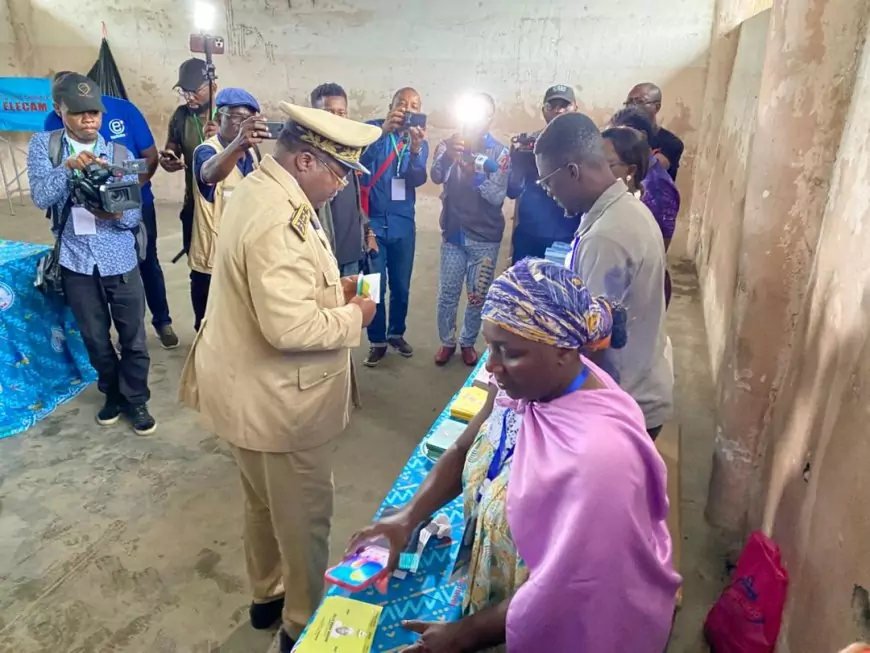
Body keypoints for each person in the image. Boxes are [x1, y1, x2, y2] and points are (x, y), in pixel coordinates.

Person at [349, 259, 680, 653]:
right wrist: (407, 517)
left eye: (509, 352)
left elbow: (564, 589)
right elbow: (464, 448)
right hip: (506, 600)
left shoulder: (600, 460)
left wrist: (464, 635)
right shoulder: (527, 387)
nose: (491, 366)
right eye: (490, 345)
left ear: (563, 350)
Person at [178, 103, 380, 653]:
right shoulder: (278, 216)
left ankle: (267, 596)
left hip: (246, 394)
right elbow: (289, 327)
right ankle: (301, 625)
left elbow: (273, 289)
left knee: (264, 507)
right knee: (305, 519)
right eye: (338, 172)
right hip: (281, 405)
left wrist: (331, 291)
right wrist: (354, 315)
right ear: (307, 161)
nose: (342, 186)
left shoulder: (260, 188)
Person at [28, 73, 156, 435]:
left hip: (119, 257)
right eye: (78, 112)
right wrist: (67, 169)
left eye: (94, 113)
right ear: (59, 110)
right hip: (76, 260)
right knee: (95, 338)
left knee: (133, 337)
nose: (88, 120)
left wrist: (112, 212)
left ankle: (136, 399)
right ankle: (112, 394)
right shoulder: (45, 146)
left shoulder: (119, 154)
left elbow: (131, 215)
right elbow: (40, 197)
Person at [534, 112, 673, 439]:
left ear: (572, 171)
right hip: (635, 383)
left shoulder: (606, 237)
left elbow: (590, 341)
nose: (548, 192)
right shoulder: (624, 209)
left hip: (619, 404)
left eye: (548, 182)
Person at [44, 72, 178, 349]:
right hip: (81, 214)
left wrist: (123, 195)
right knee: (92, 274)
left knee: (146, 261)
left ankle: (162, 321)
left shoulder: (123, 110)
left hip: (136, 203)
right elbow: (50, 174)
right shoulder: (52, 123)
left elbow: (149, 156)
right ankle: (109, 336)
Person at [430, 92, 510, 367]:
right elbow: (436, 176)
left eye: (481, 113)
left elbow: (497, 196)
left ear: (490, 118)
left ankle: (467, 342)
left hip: (485, 237)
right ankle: (447, 341)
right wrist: (448, 158)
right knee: (447, 294)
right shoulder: (448, 145)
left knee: (477, 297)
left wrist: (475, 177)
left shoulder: (500, 153)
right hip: (453, 234)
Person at [358, 87, 430, 367]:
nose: (408, 109)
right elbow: (358, 166)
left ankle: (396, 333)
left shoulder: (419, 140)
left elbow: (417, 179)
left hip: (402, 224)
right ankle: (376, 341)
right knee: (372, 286)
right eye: (402, 103)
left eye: (415, 105)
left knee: (401, 286)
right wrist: (383, 132)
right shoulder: (371, 130)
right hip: (371, 223)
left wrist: (415, 150)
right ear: (391, 106)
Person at [189, 88, 266, 331]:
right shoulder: (206, 151)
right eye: (236, 117)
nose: (242, 124)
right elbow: (209, 174)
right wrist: (238, 145)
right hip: (212, 259)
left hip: (242, 253)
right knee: (209, 326)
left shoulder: (251, 152)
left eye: (248, 119)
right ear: (219, 117)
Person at [608, 108, 682, 306]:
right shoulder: (638, 174)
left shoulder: (657, 185)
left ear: (640, 136)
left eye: (619, 138)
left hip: (641, 282)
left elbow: (659, 244)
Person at [310, 82, 377, 276]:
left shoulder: (349, 152)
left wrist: (368, 232)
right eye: (329, 112)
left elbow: (353, 201)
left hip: (353, 255)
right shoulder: (308, 156)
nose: (337, 118)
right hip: (325, 258)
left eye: (342, 113)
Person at [507, 85, 580, 263]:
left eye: (565, 105)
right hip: (529, 236)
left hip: (568, 238)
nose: (558, 111)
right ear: (543, 110)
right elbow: (512, 190)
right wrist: (517, 161)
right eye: (552, 106)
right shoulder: (529, 144)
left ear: (575, 108)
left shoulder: (586, 144)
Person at [159, 58, 218, 262]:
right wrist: (168, 160)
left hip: (225, 206)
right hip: (194, 204)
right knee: (197, 266)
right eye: (184, 91)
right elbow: (172, 147)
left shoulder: (229, 115)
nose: (189, 97)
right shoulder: (181, 115)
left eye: (194, 91)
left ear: (213, 87)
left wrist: (226, 138)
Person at [624, 82, 684, 180]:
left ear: (657, 107)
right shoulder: (618, 136)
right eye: (629, 102)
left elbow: (648, 171)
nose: (632, 107)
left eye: (640, 102)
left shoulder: (671, 143)